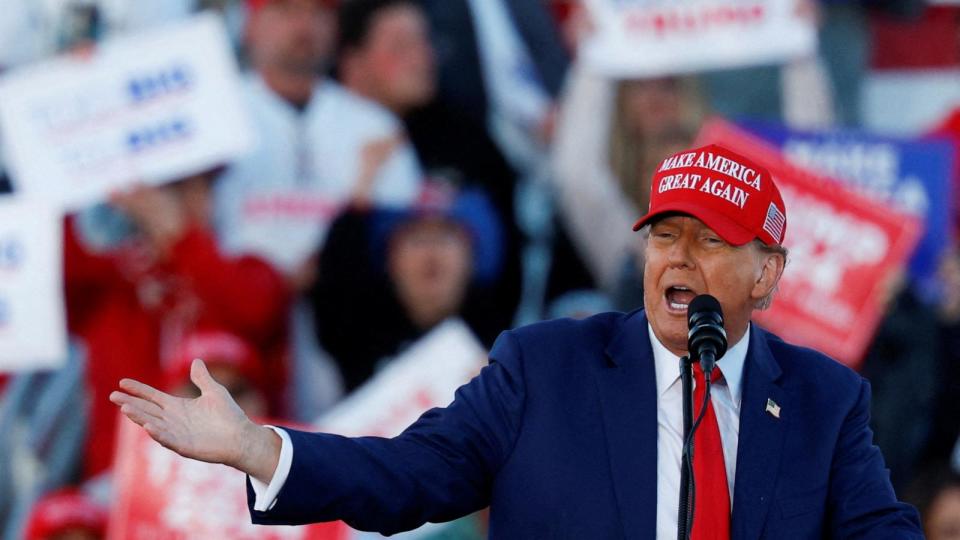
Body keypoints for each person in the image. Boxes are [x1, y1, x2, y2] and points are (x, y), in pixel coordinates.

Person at [110, 144, 922, 538]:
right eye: (664, 235)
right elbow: (408, 476)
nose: (678, 257)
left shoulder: (823, 399)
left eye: (710, 241)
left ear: (766, 276)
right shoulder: (546, 368)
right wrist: (259, 448)